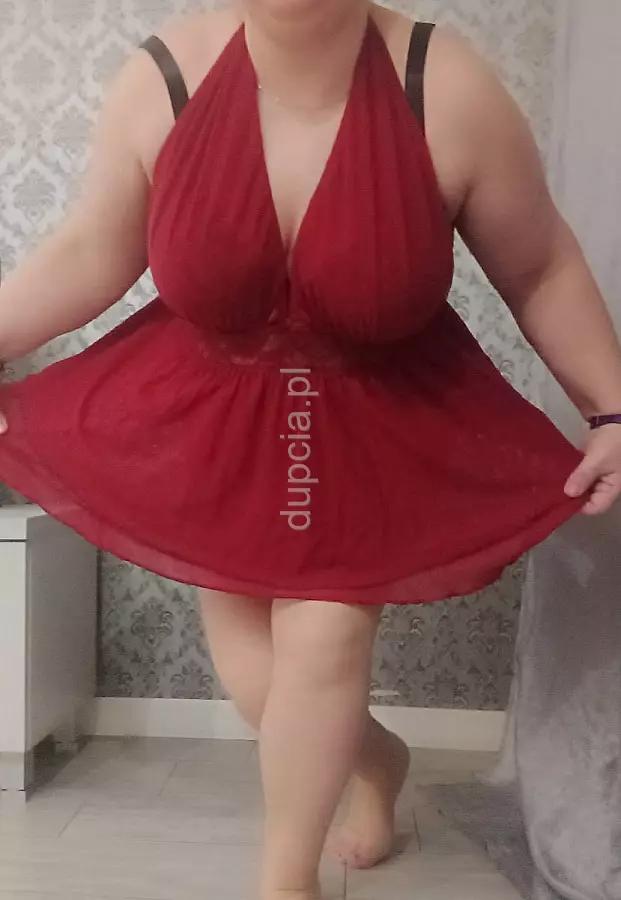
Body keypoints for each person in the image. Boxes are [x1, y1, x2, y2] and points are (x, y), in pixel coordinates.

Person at [1, 1, 621, 897]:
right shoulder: (163, 77)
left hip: (371, 423)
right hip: (211, 419)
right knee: (257, 680)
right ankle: (378, 760)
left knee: (324, 641)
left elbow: (539, 265)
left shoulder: (444, 85)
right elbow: (92, 250)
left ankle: (285, 882)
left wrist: (610, 408)